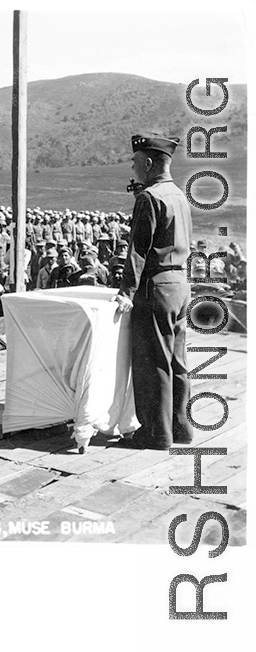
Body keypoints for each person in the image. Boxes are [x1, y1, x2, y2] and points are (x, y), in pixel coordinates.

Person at [112, 134, 193, 450]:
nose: (133, 168)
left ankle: (156, 434)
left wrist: (126, 291)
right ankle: (180, 426)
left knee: (153, 363)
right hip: (179, 285)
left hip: (155, 287)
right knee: (177, 361)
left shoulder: (148, 198)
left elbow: (138, 250)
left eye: (135, 162)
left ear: (148, 162)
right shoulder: (178, 195)